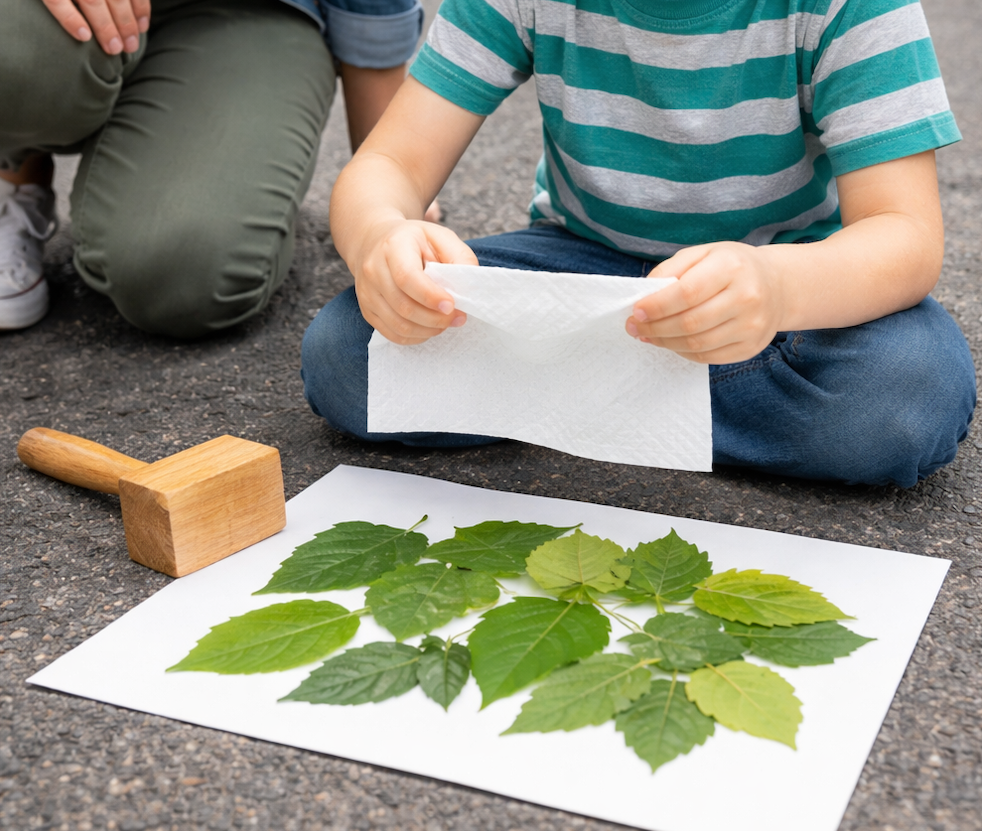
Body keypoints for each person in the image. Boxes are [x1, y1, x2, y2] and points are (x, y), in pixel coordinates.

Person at [302, 0, 977, 489]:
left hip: (776, 288)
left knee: (909, 388)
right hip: (586, 264)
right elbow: (388, 167)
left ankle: (574, 403)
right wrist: (384, 240)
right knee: (347, 351)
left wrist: (775, 288)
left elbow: (905, 234)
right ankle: (659, 403)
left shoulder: (849, 6)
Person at [0, 0, 431, 337]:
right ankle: (15, 176)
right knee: (19, 52)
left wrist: (388, 187)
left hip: (249, 14)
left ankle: (156, 139)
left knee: (182, 272)